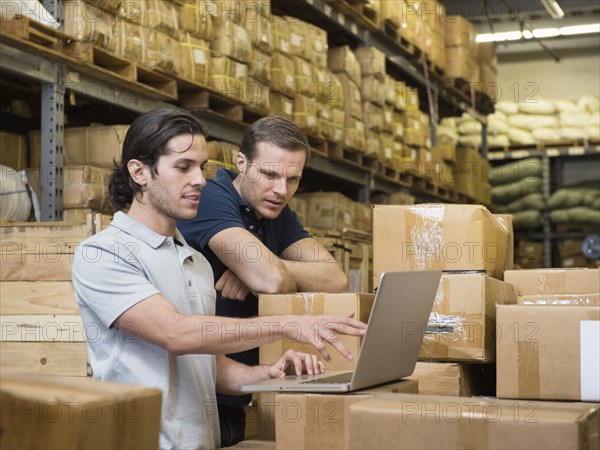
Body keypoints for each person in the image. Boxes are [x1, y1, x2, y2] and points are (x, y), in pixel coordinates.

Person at [71, 109, 366, 450]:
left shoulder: (197, 263)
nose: (199, 179)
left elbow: (212, 369)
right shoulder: (106, 253)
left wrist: (270, 373)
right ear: (139, 172)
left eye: (201, 167)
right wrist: (285, 324)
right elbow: (175, 333)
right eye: (183, 167)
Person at [178, 116, 349, 446]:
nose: (281, 190)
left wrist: (262, 262)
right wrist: (259, 268)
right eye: (269, 174)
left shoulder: (277, 212)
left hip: (238, 395)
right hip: (197, 399)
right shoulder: (212, 197)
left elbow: (335, 278)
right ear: (241, 163)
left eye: (292, 179)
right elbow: (269, 280)